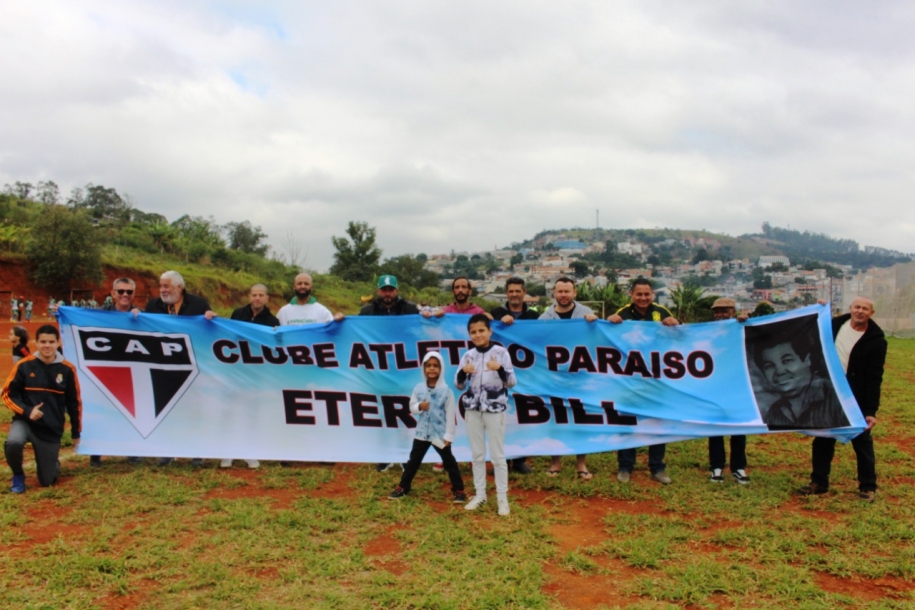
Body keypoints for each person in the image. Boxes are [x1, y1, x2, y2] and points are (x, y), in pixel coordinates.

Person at [799, 297, 886, 501]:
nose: (860, 311)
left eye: (865, 308)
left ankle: (868, 486)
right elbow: (808, 330)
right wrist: (819, 308)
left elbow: (874, 378)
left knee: (862, 441)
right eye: (857, 307)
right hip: (828, 392)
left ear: (871, 313)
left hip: (855, 397)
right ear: (851, 308)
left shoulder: (876, 341)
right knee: (823, 439)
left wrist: (870, 411)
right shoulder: (834, 325)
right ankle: (819, 482)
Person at [139, 270, 216, 466]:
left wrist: (211, 318)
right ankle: (168, 450)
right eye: (161, 286)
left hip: (192, 368)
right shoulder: (153, 306)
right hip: (162, 368)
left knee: (194, 411)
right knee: (167, 409)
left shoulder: (198, 304)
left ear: (179, 287)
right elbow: (143, 331)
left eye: (166, 286)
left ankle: (196, 451)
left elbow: (211, 331)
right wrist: (135, 317)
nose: (162, 290)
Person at [608, 278, 679, 485]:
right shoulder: (623, 313)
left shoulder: (662, 312)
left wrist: (677, 324)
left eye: (647, 294)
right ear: (631, 295)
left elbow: (681, 337)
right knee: (628, 423)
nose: (643, 298)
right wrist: (609, 321)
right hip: (629, 380)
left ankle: (657, 467)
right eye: (639, 294)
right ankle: (625, 467)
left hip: (656, 380)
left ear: (652, 295)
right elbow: (606, 337)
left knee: (657, 423)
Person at [3, 325, 82, 492]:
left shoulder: (67, 369)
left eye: (51, 342)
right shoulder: (24, 365)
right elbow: (8, 394)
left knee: (47, 480)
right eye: (43, 342)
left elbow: (74, 403)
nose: (47, 346)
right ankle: (18, 475)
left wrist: (76, 432)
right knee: (13, 442)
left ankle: (52, 463)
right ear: (36, 343)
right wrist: (27, 411)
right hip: (25, 421)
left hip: (50, 427)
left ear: (58, 343)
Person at [359, 275, 424, 472]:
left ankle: (404, 455)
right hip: (379, 369)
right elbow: (354, 331)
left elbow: (423, 328)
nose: (387, 293)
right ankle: (385, 455)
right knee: (382, 412)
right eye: (384, 290)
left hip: (403, 368)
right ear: (378, 291)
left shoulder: (410, 309)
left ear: (396, 290)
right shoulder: (367, 312)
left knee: (405, 411)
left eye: (390, 290)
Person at [456, 313, 516, 515]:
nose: (478, 335)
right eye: (473, 332)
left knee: (498, 456)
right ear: (469, 335)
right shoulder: (468, 355)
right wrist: (463, 372)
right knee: (477, 455)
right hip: (473, 410)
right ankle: (480, 495)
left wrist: (499, 369)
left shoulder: (501, 353)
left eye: (481, 330)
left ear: (490, 331)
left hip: (495, 410)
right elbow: (458, 385)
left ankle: (502, 499)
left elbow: (511, 382)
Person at [539, 277, 598, 480]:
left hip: (580, 377)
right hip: (554, 377)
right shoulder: (544, 318)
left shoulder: (586, 313)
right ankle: (555, 463)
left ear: (574, 293)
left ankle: (581, 464)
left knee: (581, 420)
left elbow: (598, 339)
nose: (563, 295)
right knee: (555, 420)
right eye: (560, 291)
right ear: (554, 293)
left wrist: (594, 324)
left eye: (567, 291)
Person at [387, 352, 466, 503]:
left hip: (439, 434)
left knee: (449, 461)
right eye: (428, 365)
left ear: (441, 368)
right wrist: (419, 406)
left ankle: (459, 490)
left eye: (435, 366)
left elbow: (450, 415)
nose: (432, 368)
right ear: (423, 368)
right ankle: (403, 487)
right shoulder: (418, 388)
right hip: (422, 434)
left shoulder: (446, 391)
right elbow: (411, 407)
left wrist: (449, 435)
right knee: (413, 461)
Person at [223, 283, 281, 469]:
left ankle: (250, 452)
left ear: (267, 298)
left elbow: (277, 347)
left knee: (252, 413)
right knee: (231, 411)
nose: (257, 298)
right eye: (254, 295)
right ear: (249, 296)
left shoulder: (272, 321)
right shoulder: (237, 314)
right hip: (235, 371)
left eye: (261, 295)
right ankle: (228, 453)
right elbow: (227, 336)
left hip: (257, 374)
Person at [91, 278, 143, 467]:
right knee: (100, 410)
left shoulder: (140, 315)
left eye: (129, 292)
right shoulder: (99, 314)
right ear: (112, 293)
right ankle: (96, 452)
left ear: (134, 295)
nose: (125, 295)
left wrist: (142, 320)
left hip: (130, 370)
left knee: (132, 409)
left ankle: (133, 451)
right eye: (121, 291)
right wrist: (61, 312)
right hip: (104, 369)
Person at [491, 277, 540, 475]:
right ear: (506, 293)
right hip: (499, 375)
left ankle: (519, 460)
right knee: (500, 419)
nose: (514, 294)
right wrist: (499, 322)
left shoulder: (534, 317)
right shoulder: (496, 313)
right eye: (511, 291)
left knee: (520, 418)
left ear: (524, 292)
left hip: (526, 374)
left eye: (518, 291)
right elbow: (482, 324)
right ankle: (500, 460)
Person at [753, 331, 849, 430]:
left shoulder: (839, 398)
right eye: (769, 366)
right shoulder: (774, 413)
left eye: (786, 361)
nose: (779, 371)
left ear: (807, 359)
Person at [706, 298, 750, 484]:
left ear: (733, 311)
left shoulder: (742, 328)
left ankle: (738, 467)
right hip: (714, 385)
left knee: (738, 428)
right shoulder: (706, 331)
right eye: (717, 311)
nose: (720, 315)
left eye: (724, 310)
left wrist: (746, 322)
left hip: (738, 386)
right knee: (715, 428)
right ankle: (716, 467)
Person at [276, 273, 344, 326]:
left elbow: (333, 330)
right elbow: (275, 332)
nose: (303, 286)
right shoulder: (283, 312)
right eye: (299, 283)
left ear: (311, 287)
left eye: (306, 284)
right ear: (294, 287)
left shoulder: (322, 311)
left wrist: (339, 320)